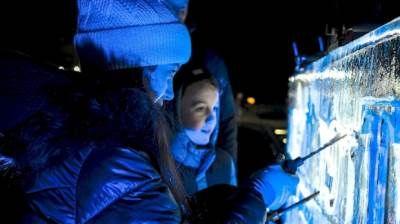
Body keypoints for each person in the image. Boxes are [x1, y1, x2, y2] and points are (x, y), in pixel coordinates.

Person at [0, 0, 298, 223]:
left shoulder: (83, 139)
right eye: (168, 74)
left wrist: (222, 201)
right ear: (135, 69)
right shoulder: (112, 160)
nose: (168, 92)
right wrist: (259, 197)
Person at [169, 67, 237, 195]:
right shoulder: (160, 164)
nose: (212, 119)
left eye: (215, 109)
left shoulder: (224, 163)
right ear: (177, 111)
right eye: (200, 108)